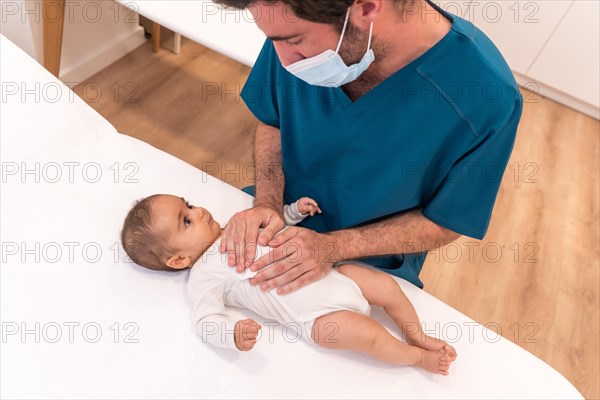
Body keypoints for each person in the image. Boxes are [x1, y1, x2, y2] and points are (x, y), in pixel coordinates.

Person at [214, 0, 523, 294]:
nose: (284, 60)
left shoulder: (485, 97)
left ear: (366, 8)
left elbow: (443, 220)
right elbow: (273, 120)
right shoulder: (293, 25)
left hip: (366, 264)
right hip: (276, 219)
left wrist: (332, 247)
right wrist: (267, 202)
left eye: (294, 41)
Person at [120, 194, 458, 374]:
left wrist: (294, 211)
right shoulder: (205, 276)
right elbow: (205, 320)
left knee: (387, 288)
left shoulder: (239, 226)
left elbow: (274, 225)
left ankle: (416, 333)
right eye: (187, 220)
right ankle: (416, 358)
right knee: (370, 336)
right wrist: (232, 335)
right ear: (178, 259)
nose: (201, 211)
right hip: (316, 319)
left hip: (334, 275)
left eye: (189, 205)